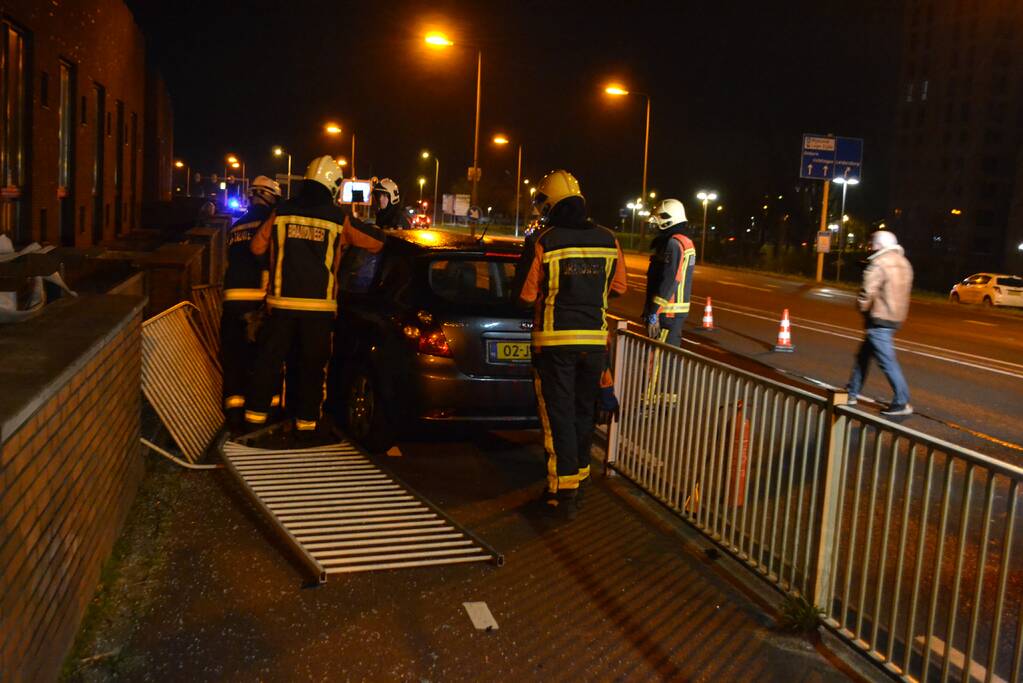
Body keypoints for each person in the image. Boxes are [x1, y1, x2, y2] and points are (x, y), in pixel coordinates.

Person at [243, 156, 385, 440]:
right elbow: (377, 242)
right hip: (319, 310)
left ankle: (253, 418)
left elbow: (257, 248)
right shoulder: (338, 218)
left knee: (268, 362)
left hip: (281, 305)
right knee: (311, 367)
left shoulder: (281, 211)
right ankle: (306, 424)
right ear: (333, 185)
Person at [517, 170, 628, 519]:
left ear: (549, 204)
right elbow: (620, 287)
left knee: (558, 417)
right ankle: (579, 482)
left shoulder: (545, 240)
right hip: (594, 345)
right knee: (582, 415)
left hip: (554, 345)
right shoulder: (609, 239)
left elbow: (524, 295)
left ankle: (564, 493)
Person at [220, 176, 281, 431]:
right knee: (262, 357)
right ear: (269, 197)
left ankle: (234, 413)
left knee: (234, 357)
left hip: (231, 298)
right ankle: (266, 411)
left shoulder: (237, 225)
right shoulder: (270, 223)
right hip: (257, 300)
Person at [846, 229, 914, 417]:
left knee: (887, 361)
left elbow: (867, 292)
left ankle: (902, 401)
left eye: (873, 243)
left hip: (878, 318)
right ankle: (851, 392)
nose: (871, 247)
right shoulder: (904, 263)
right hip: (895, 317)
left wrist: (861, 306)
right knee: (863, 356)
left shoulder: (879, 263)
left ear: (881, 245)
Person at [643, 198, 696, 346]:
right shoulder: (683, 241)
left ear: (668, 219)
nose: (655, 226)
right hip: (671, 313)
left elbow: (670, 279)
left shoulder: (673, 243)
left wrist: (654, 312)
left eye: (658, 219)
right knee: (667, 360)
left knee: (658, 360)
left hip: (666, 313)